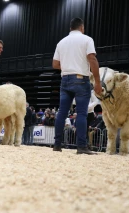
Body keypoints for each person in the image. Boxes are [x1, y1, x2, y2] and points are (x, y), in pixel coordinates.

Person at [52, 17, 102, 155]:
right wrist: (97, 82)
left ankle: (57, 145)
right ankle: (81, 147)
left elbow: (55, 64)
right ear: (82, 27)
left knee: (62, 112)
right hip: (81, 79)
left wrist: (68, 66)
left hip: (65, 80)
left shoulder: (61, 42)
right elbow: (92, 59)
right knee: (81, 113)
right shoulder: (87, 39)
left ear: (70, 28)